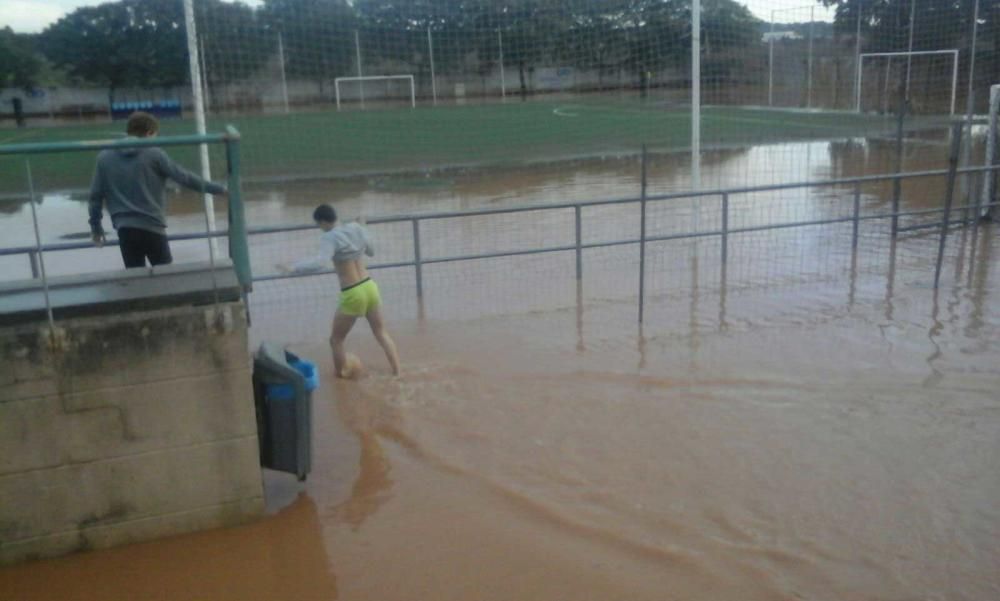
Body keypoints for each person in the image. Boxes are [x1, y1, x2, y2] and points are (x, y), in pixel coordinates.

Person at [88, 111, 227, 268]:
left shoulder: (104, 157)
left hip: (124, 228)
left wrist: (96, 228)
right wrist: (220, 190)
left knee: (136, 278)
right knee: (166, 278)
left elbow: (95, 197)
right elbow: (184, 178)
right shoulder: (154, 154)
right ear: (149, 133)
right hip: (152, 226)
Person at [280, 204, 401, 378]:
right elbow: (372, 251)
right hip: (369, 285)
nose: (320, 229)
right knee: (381, 333)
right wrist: (363, 228)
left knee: (336, 340)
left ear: (322, 222)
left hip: (352, 292)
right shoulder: (355, 227)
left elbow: (320, 262)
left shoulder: (329, 237)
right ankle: (397, 373)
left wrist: (293, 268)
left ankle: (341, 378)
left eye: (319, 225)